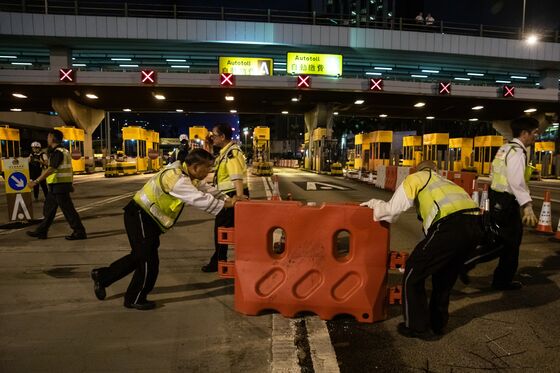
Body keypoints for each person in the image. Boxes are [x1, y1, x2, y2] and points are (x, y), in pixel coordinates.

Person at [90, 149, 239, 310]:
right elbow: (198, 198)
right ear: (195, 167)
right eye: (207, 168)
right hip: (140, 215)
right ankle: (134, 297)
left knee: (139, 256)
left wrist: (227, 198)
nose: (209, 172)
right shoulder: (176, 178)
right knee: (149, 261)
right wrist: (227, 204)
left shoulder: (189, 176)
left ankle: (103, 276)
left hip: (148, 219)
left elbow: (207, 189)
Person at [360, 161, 483, 340]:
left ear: (418, 170)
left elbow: (391, 212)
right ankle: (438, 324)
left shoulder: (415, 178)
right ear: (436, 170)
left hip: (449, 226)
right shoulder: (446, 183)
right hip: (475, 227)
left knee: (413, 272)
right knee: (444, 277)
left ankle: (416, 327)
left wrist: (374, 203)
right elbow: (430, 237)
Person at [487, 117, 539, 290]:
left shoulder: (505, 148)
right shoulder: (517, 152)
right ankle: (501, 281)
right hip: (506, 201)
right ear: (524, 134)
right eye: (535, 133)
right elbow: (516, 181)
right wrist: (527, 206)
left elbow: (493, 173)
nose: (536, 137)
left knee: (501, 240)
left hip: (497, 198)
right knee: (512, 242)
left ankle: (498, 277)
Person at [201, 123, 249, 272]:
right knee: (225, 230)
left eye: (214, 135)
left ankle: (219, 261)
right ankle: (219, 260)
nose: (212, 138)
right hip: (229, 194)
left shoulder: (231, 153)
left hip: (232, 196)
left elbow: (236, 176)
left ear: (222, 137)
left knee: (221, 229)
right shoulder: (225, 151)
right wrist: (207, 147)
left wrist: (239, 197)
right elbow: (211, 164)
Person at [27, 129, 87, 240]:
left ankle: (79, 232)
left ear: (53, 138)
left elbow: (51, 169)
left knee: (68, 210)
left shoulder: (58, 152)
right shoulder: (63, 151)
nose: (47, 139)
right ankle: (42, 231)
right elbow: (68, 169)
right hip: (57, 185)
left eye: (48, 137)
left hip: (60, 186)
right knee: (49, 209)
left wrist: (36, 182)